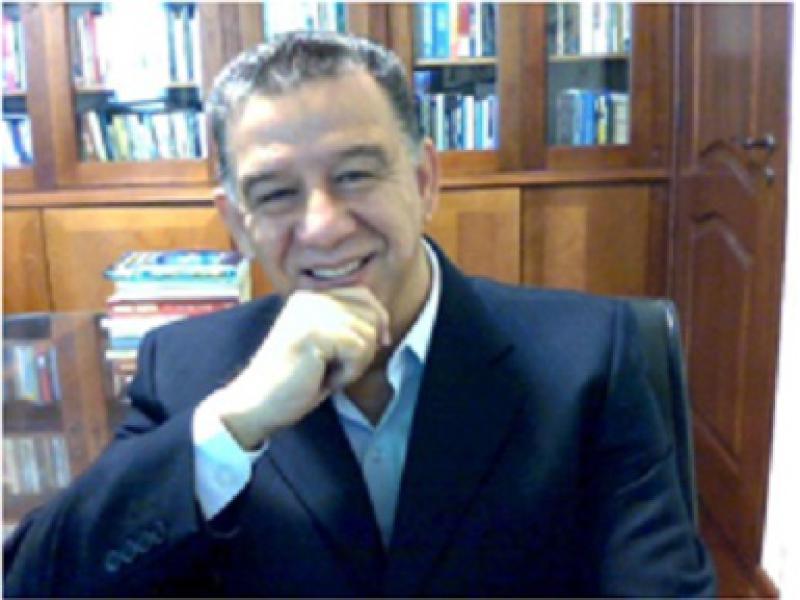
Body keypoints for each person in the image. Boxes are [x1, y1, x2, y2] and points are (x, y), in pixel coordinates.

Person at [4, 32, 716, 597]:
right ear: (238, 221)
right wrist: (235, 424)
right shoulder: (187, 370)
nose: (322, 226)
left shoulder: (591, 357)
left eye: (354, 174)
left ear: (424, 180)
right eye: (275, 193)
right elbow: (36, 582)